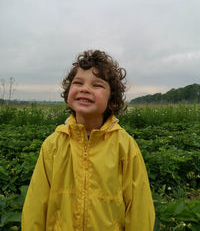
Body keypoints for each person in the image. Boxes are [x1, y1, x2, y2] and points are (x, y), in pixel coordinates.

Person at [22, 50, 155, 230]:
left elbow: (139, 206)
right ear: (68, 94)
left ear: (112, 102)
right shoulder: (53, 145)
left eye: (97, 85)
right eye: (78, 82)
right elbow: (36, 204)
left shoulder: (125, 145)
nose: (85, 88)